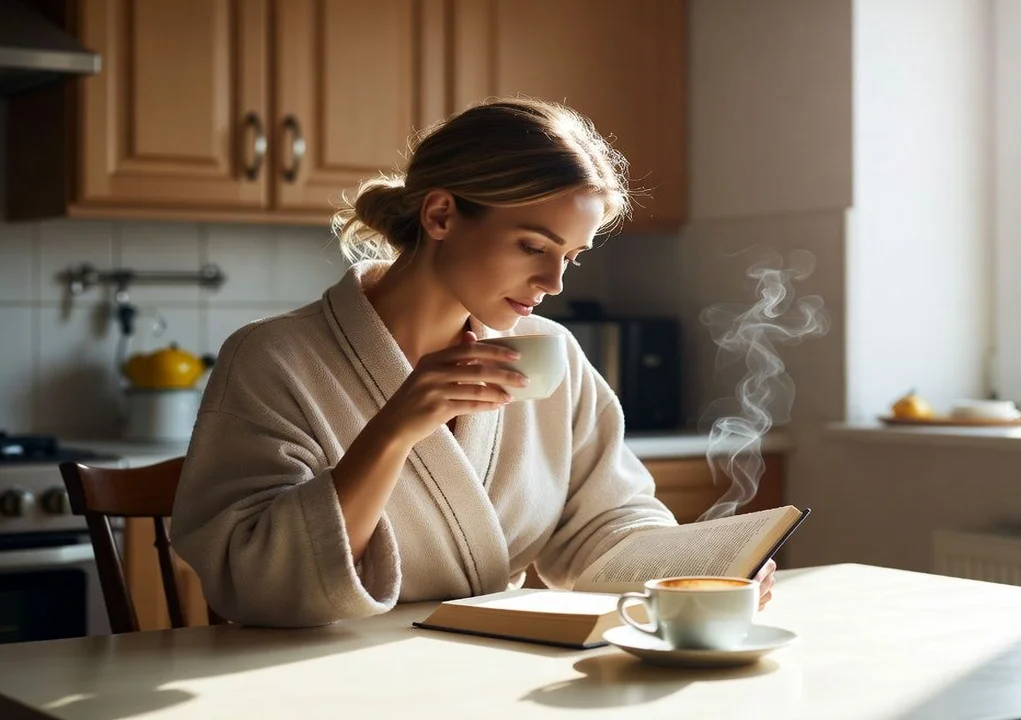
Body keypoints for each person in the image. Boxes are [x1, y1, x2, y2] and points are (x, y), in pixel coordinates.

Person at [171, 98, 775, 628]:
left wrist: (699, 573)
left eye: (572, 256)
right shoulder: (275, 357)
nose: (553, 281)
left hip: (481, 670)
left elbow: (607, 525)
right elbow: (255, 580)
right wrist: (394, 428)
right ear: (440, 216)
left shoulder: (551, 353)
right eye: (533, 247)